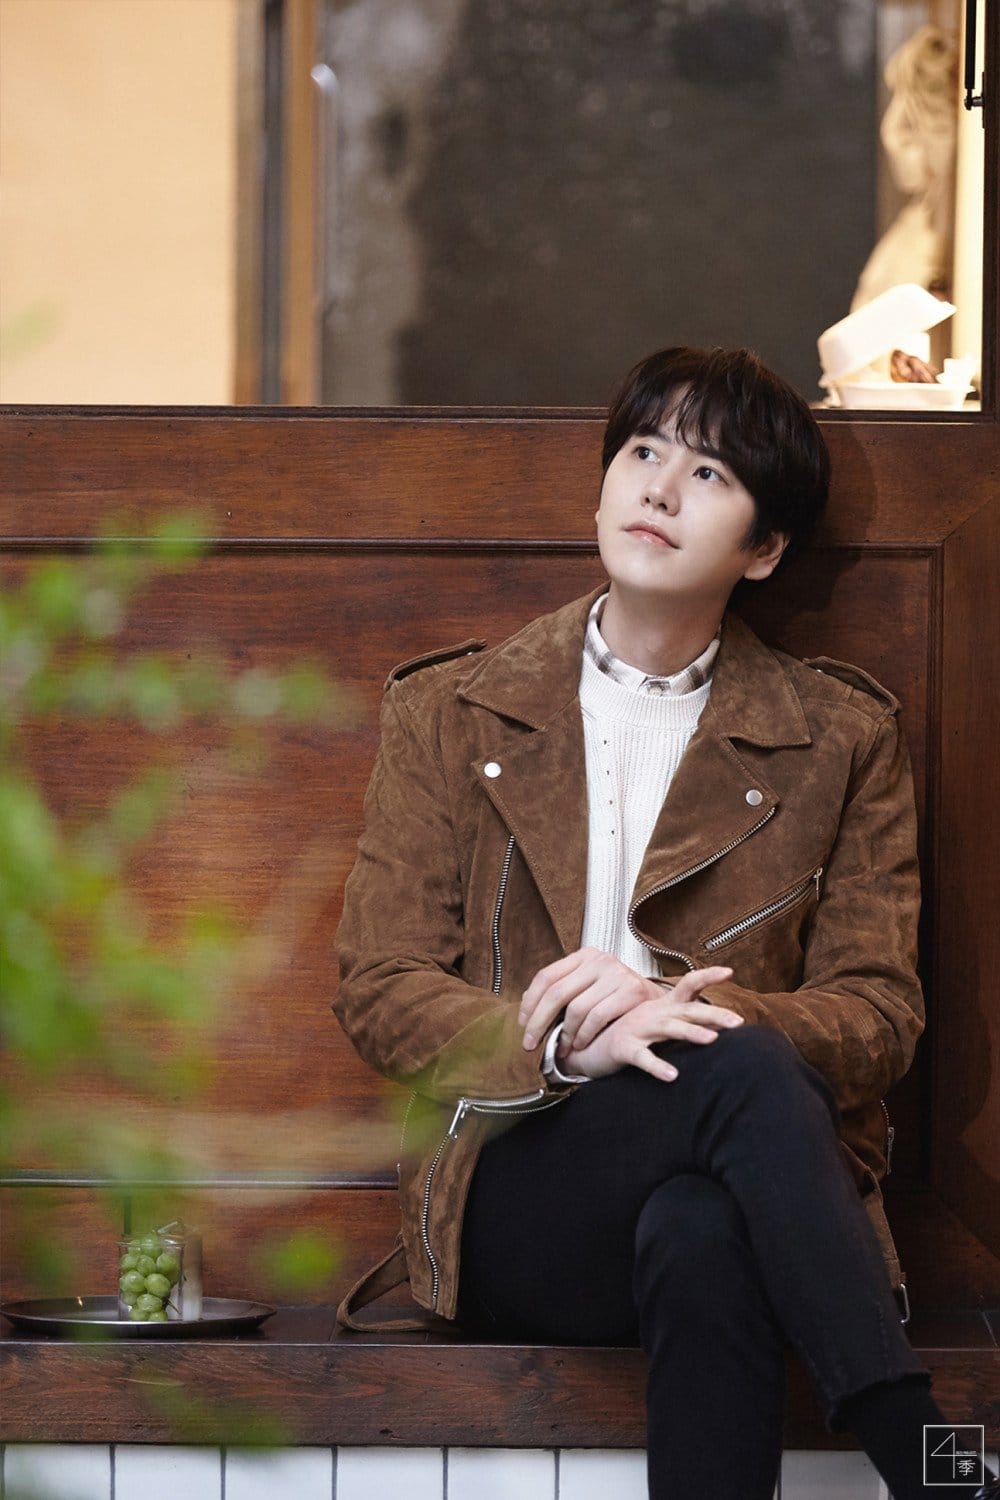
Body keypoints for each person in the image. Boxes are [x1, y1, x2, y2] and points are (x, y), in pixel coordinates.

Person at [335, 347, 998, 1500]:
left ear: (764, 549)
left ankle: (924, 1465)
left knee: (702, 1229)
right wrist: (564, 1039)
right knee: (740, 1066)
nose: (657, 487)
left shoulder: (839, 740)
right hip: (518, 1190)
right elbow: (380, 986)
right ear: (602, 485)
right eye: (642, 452)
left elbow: (879, 1014)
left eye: (707, 473)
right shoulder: (449, 711)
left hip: (736, 1199)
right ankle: (927, 1460)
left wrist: (679, 1013)